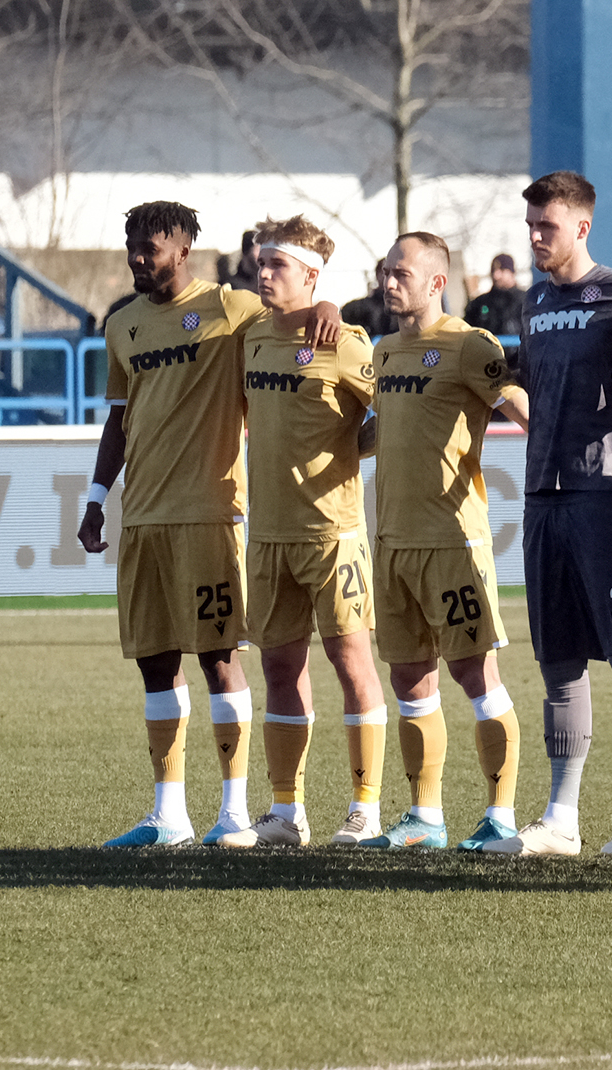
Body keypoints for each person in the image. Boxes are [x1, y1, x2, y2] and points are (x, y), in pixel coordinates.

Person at [80, 199, 337, 847]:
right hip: (142, 517)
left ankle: (232, 812)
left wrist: (329, 310)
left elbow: (298, 308)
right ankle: (168, 816)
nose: (140, 257)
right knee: (155, 661)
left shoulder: (230, 308)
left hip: (211, 514)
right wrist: (94, 497)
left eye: (153, 246)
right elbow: (118, 418)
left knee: (220, 658)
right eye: (132, 245)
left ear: (184, 248)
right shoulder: (123, 325)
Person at [482, 170, 612, 857]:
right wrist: (502, 389)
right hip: (541, 499)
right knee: (559, 659)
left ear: (582, 227)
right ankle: (561, 818)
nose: (535, 237)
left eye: (547, 226)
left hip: (607, 498)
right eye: (530, 225)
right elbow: (532, 390)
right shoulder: (530, 302)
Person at [214, 214, 386, 849]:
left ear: (310, 275)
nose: (262, 273)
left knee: (350, 660)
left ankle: (364, 807)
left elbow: (393, 412)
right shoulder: (251, 334)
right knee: (281, 666)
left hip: (332, 533)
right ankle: (287, 812)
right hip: (268, 536)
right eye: (260, 263)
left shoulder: (345, 340)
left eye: (275, 265)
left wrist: (353, 446)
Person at [363, 231, 531, 852]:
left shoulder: (468, 344)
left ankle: (501, 818)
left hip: (453, 541)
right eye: (386, 271)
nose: (389, 282)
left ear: (436, 282)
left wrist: (550, 434)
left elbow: (505, 393)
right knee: (409, 679)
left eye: (401, 273)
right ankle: (425, 817)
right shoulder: (383, 352)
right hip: (393, 540)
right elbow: (382, 426)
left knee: (473, 672)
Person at [463, 253, 525, 340]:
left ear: (512, 273)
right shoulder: (479, 304)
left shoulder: (527, 301)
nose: (496, 276)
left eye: (502, 270)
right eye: (494, 271)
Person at [342, 260, 399, 338]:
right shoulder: (361, 307)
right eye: (385, 272)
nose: (389, 278)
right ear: (377, 275)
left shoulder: (403, 308)